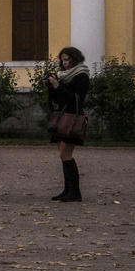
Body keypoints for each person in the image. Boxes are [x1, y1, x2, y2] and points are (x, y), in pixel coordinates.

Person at [45, 46, 89, 202]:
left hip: (72, 118)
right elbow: (58, 99)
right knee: (63, 155)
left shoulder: (81, 75)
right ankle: (68, 189)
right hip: (63, 116)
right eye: (62, 59)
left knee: (66, 154)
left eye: (67, 59)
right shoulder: (63, 76)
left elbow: (75, 98)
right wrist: (52, 86)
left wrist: (58, 86)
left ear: (74, 59)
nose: (64, 63)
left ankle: (75, 192)